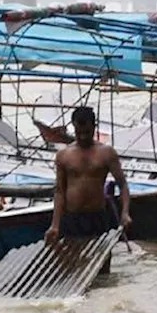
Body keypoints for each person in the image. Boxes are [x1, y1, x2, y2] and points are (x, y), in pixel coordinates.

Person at [44, 106, 132, 273]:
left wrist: (125, 212)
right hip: (72, 217)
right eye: (79, 132)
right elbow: (60, 191)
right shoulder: (64, 155)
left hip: (97, 217)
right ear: (74, 127)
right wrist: (54, 225)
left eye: (87, 132)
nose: (83, 136)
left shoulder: (107, 153)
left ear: (94, 127)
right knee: (69, 266)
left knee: (102, 267)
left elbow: (123, 185)